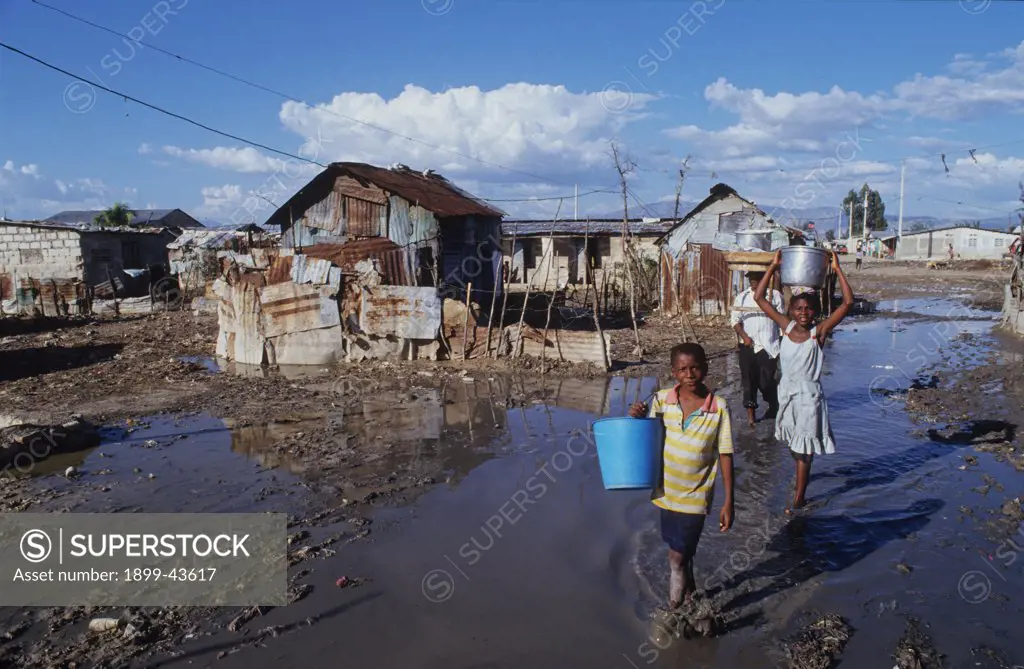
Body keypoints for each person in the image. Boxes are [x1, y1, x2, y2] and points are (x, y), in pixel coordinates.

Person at [628, 343, 734, 610]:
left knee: (675, 558)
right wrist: (636, 418)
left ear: (706, 367)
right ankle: (692, 595)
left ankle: (673, 611)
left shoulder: (719, 408)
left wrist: (728, 501)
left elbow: (725, 454)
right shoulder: (663, 400)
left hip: (695, 496)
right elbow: (646, 438)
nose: (690, 374)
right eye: (683, 369)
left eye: (695, 367)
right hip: (666, 492)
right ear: (673, 372)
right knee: (681, 549)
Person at [752, 249, 854, 514]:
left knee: (804, 450)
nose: (804, 312)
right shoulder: (785, 328)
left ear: (815, 312)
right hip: (786, 393)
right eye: (799, 308)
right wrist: (773, 267)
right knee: (794, 446)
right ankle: (801, 483)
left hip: (809, 398)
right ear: (791, 311)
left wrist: (837, 268)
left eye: (809, 309)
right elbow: (759, 298)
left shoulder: (817, 334)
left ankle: (799, 498)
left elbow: (847, 304)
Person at [730, 270, 784, 426]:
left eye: (757, 279)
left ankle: (773, 404)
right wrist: (745, 337)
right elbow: (735, 321)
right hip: (748, 345)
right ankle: (751, 416)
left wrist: (783, 341)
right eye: (751, 279)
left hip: (769, 346)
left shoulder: (774, 296)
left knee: (766, 380)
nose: (754, 282)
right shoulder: (742, 297)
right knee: (749, 381)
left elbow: (781, 320)